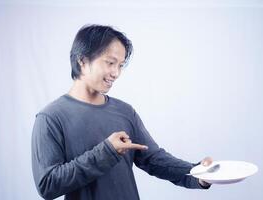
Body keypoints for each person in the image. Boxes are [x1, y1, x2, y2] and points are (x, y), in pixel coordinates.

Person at [31, 24, 213, 200]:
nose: (116, 73)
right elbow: (47, 185)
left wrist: (197, 174)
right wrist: (106, 152)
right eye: (110, 63)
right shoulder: (50, 118)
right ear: (83, 61)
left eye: (120, 65)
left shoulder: (125, 111)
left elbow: (153, 159)